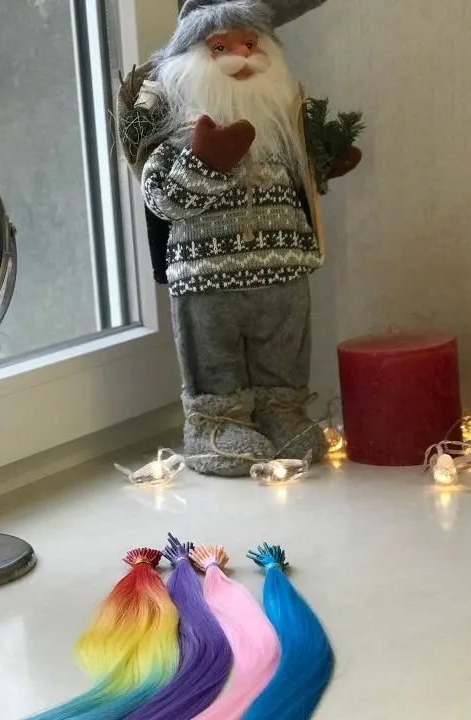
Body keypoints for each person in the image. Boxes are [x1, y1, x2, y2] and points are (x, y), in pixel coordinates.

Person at [119, 0, 329, 476]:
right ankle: (215, 426)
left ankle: (282, 415)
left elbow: (303, 185)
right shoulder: (176, 136)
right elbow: (161, 199)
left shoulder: (280, 132)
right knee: (214, 356)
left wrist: (326, 161)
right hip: (206, 279)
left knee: (284, 350)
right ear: (191, 60)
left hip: (284, 271)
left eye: (251, 43)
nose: (242, 55)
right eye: (221, 47)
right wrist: (205, 163)